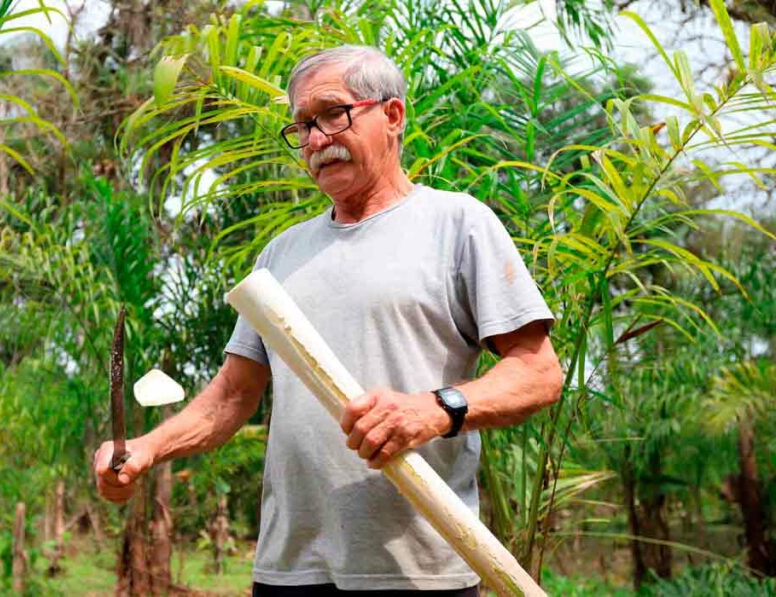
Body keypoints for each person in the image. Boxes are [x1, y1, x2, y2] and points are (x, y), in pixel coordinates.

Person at [94, 45, 563, 595]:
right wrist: (149, 448)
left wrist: (432, 410)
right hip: (290, 567)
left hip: (419, 571)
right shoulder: (281, 255)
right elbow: (232, 394)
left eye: (333, 114)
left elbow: (538, 373)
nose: (315, 140)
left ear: (392, 115)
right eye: (301, 126)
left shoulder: (457, 225)